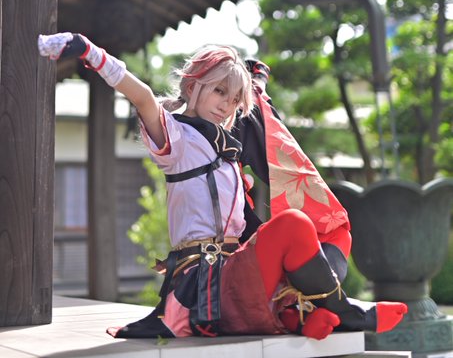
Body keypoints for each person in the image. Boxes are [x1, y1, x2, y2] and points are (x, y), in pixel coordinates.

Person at [38, 32, 407, 340]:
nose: (226, 106)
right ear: (192, 85)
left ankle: (303, 317)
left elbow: (252, 115)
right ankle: (342, 311)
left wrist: (255, 84)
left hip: (237, 267)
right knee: (293, 224)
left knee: (329, 233)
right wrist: (89, 51)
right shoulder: (176, 138)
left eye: (233, 100)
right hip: (206, 281)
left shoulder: (227, 149)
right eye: (218, 92)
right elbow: (143, 97)